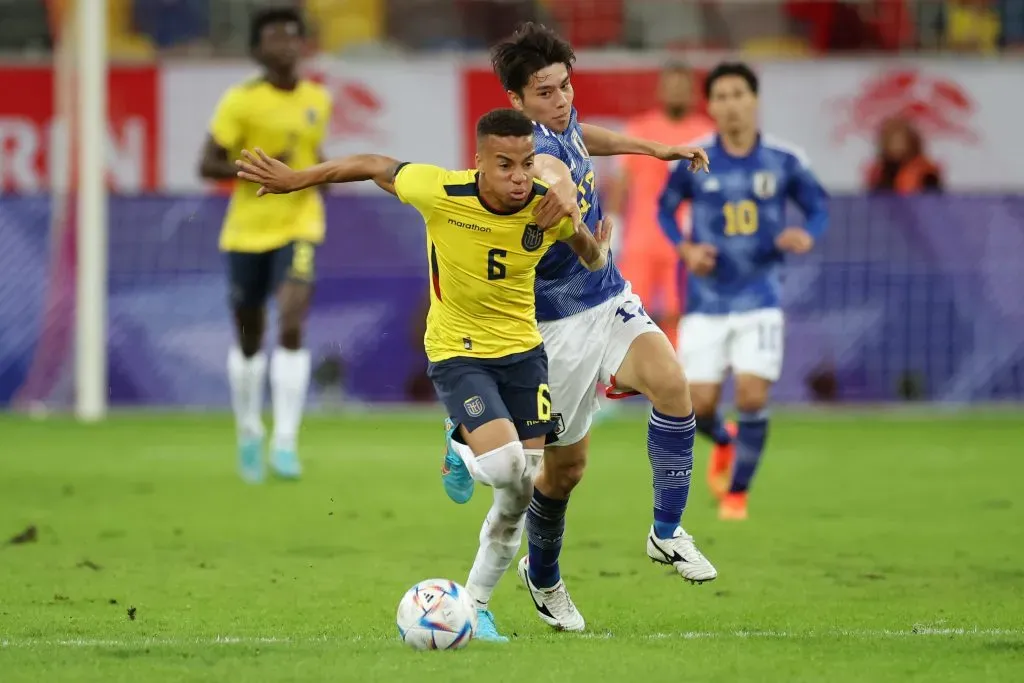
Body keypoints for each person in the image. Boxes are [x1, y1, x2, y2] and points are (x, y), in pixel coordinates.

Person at [234, 107, 613, 641]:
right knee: (506, 469)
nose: (518, 177)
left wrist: (596, 244)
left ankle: (476, 606)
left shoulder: (543, 210)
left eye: (527, 164)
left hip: (525, 355)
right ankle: (460, 442)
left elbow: (590, 257)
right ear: (477, 161)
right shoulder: (440, 192)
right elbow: (371, 163)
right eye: (504, 164)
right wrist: (298, 179)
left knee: (521, 489)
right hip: (458, 351)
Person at [440, 22, 716, 638]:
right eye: (545, 93)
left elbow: (580, 138)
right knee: (560, 474)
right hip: (555, 329)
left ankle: (666, 533)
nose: (561, 101)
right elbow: (558, 179)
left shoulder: (561, 124)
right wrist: (582, 229)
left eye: (565, 87)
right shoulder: (532, 167)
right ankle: (542, 577)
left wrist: (651, 149)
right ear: (516, 101)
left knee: (673, 386)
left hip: (609, 300)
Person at [658, 62, 830, 521]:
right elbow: (665, 210)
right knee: (698, 407)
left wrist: (807, 234)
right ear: (710, 106)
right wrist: (685, 248)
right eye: (722, 96)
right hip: (706, 300)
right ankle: (729, 442)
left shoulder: (784, 159)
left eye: (739, 94)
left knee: (752, 395)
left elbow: (817, 208)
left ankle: (737, 495)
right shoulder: (696, 159)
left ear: (754, 100)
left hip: (761, 297)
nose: (731, 104)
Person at [197, 7, 331, 483]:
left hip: (300, 225)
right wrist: (256, 168)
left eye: (293, 38)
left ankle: (286, 442)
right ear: (257, 50)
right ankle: (250, 429)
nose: (285, 47)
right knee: (251, 337)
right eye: (274, 39)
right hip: (246, 232)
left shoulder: (318, 99)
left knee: (292, 320)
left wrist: (317, 177)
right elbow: (207, 163)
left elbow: (315, 156)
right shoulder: (241, 101)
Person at [606, 62, 715, 348]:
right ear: (660, 90)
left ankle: (678, 381)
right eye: (671, 86)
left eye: (683, 87)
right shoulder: (639, 129)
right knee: (627, 312)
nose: (677, 93)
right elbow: (621, 181)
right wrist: (614, 225)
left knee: (678, 314)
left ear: (693, 93)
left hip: (684, 241)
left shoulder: (707, 133)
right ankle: (615, 384)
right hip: (641, 239)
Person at [865, 116, 943, 194]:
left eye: (899, 140)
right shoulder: (879, 173)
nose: (896, 145)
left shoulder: (926, 173)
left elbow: (933, 200)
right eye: (892, 140)